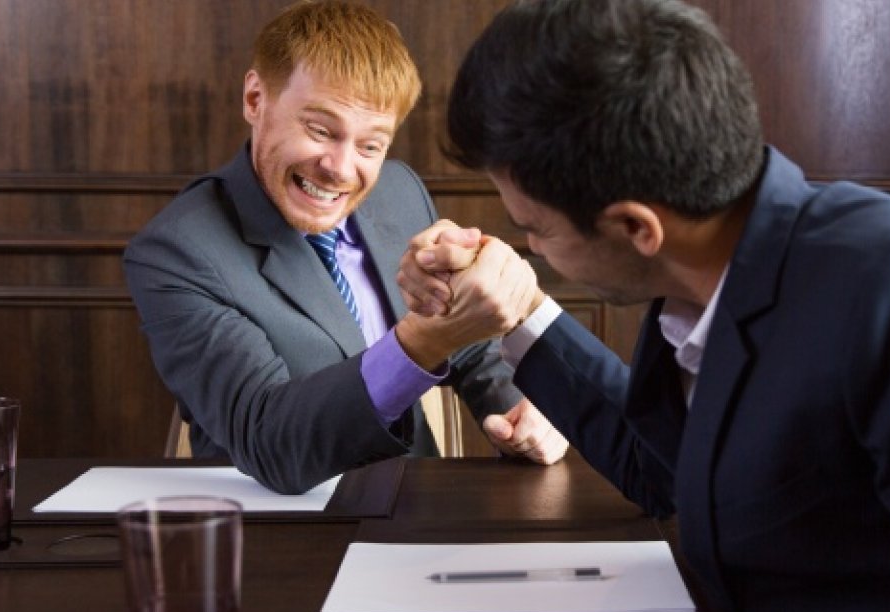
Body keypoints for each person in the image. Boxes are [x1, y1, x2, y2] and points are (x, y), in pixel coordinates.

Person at [397, 0, 890, 612]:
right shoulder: (707, 271)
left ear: (634, 227)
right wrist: (519, 313)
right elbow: (673, 471)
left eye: (534, 230)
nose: (527, 247)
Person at [123, 0, 567, 496]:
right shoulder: (176, 252)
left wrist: (516, 410)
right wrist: (424, 340)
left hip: (415, 509)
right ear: (255, 99)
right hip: (277, 534)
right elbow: (269, 443)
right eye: (319, 130)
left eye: (370, 145)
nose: (340, 168)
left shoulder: (399, 190)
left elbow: (472, 347)